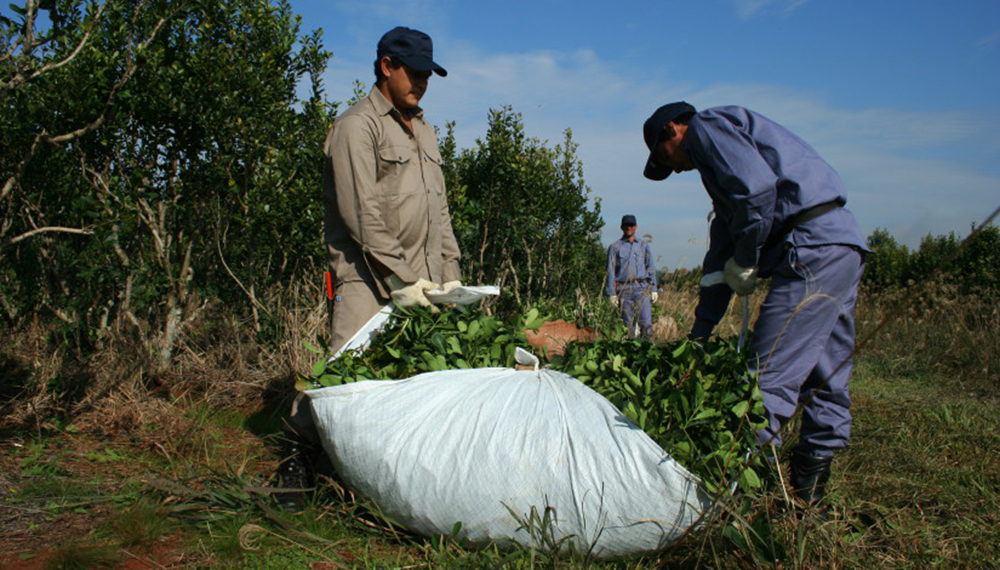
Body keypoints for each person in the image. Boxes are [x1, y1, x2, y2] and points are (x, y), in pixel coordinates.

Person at [642, 102, 869, 518]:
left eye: (664, 158)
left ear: (673, 130)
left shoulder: (707, 127)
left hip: (810, 248)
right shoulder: (725, 171)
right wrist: (699, 335)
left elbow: (757, 191)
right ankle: (809, 500)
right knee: (825, 375)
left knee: (767, 379)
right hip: (841, 245)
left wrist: (748, 255)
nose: (674, 169)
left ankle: (742, 503)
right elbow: (720, 254)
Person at [278, 26, 464, 505]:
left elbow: (439, 212)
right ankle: (297, 459)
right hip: (366, 278)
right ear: (386, 66)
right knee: (344, 376)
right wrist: (402, 281)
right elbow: (361, 215)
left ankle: (378, 477)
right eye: (414, 73)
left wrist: (452, 277)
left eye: (428, 75)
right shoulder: (356, 127)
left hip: (422, 281)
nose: (422, 83)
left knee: (414, 379)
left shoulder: (424, 130)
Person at [606, 214, 658, 338]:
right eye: (626, 225)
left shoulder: (643, 245)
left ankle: (646, 353)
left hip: (641, 288)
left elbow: (650, 267)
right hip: (624, 290)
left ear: (635, 227)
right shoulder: (615, 247)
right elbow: (610, 271)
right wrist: (611, 293)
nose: (628, 228)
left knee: (646, 325)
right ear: (621, 227)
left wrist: (654, 289)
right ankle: (629, 355)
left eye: (631, 225)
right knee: (627, 327)